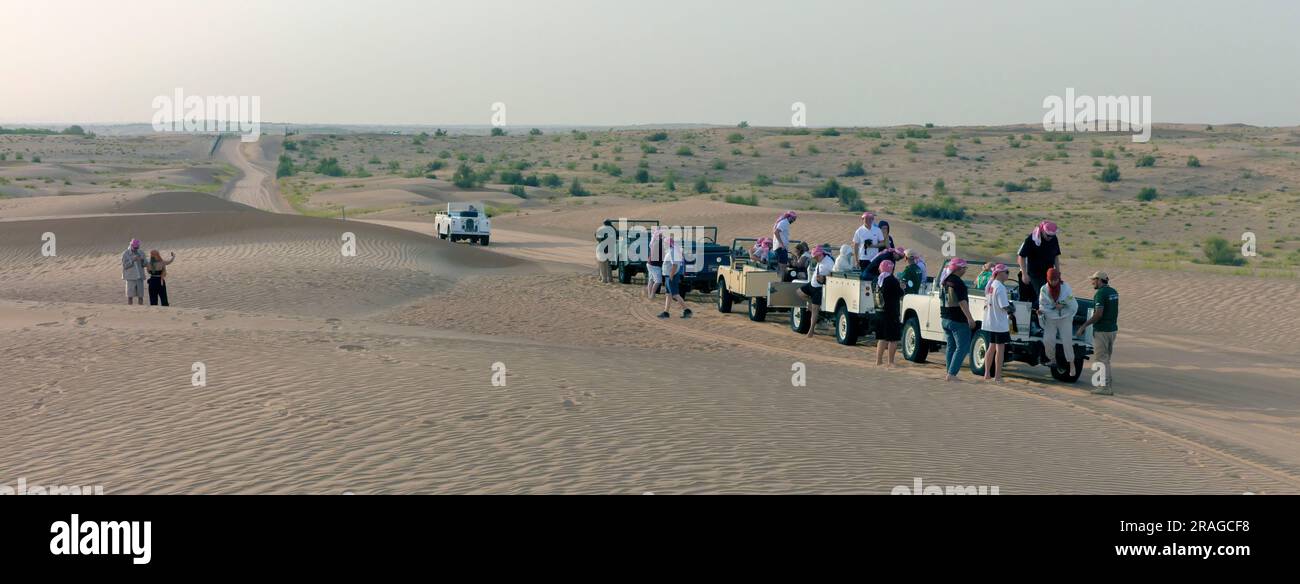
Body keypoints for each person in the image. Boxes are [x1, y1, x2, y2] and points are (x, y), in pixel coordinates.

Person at [1077, 271, 1119, 395]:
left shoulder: (1100, 294)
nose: (1092, 282)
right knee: (1106, 358)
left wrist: (1083, 326)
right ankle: (1107, 383)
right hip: (1112, 330)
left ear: (1100, 280)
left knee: (1101, 359)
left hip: (1102, 330)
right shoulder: (1113, 292)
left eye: (1094, 280)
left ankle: (1104, 387)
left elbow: (1098, 314)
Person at [940, 258, 977, 382]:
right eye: (964, 268)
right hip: (957, 320)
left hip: (945, 318)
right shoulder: (958, 283)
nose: (965, 270)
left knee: (951, 346)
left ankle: (949, 372)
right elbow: (962, 302)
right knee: (962, 347)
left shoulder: (945, 280)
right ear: (959, 269)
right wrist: (970, 318)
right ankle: (952, 374)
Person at [1037, 267, 1078, 376]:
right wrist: (1041, 311)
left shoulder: (1065, 287)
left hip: (1065, 316)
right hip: (1051, 317)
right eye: (1051, 280)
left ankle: (1072, 364)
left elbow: (1071, 301)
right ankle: (1052, 359)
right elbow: (1042, 304)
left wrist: (1063, 305)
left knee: (1067, 341)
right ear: (1048, 279)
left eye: (1055, 279)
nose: (1053, 282)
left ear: (1058, 278)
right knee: (1047, 340)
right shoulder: (1044, 289)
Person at [1017, 220, 1061, 314]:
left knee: (1049, 295)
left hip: (1048, 273)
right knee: (1043, 296)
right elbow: (1021, 257)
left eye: (1052, 235)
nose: (1050, 238)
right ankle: (1032, 315)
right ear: (1042, 231)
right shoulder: (1031, 239)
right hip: (1034, 274)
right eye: (1048, 235)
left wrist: (1058, 273)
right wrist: (1024, 274)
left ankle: (1038, 316)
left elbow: (1056, 256)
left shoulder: (1053, 239)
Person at [982, 263, 1012, 383]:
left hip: (991, 322)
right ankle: (998, 376)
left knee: (991, 347)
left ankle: (987, 373)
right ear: (999, 273)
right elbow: (1004, 305)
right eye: (1006, 272)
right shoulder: (1000, 287)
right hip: (999, 324)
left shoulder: (991, 285)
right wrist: (1012, 309)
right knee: (1000, 349)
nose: (1008, 274)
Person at [795, 245, 834, 338]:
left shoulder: (829, 262)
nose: (815, 259)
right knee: (799, 292)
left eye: (816, 257)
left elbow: (833, 275)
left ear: (820, 255)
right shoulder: (821, 259)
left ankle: (811, 330)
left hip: (819, 288)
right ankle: (811, 305)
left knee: (815, 310)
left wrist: (824, 278)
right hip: (812, 284)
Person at [875, 259, 903, 367]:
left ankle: (878, 361)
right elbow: (900, 293)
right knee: (893, 339)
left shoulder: (877, 280)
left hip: (879, 312)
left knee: (882, 338)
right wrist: (902, 287)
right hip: (890, 313)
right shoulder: (892, 280)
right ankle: (890, 362)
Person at [658, 232, 692, 319]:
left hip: (671, 276)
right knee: (668, 294)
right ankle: (666, 312)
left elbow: (675, 265)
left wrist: (671, 276)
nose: (663, 245)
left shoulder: (672, 251)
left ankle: (687, 310)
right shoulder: (671, 251)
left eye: (665, 243)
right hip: (668, 276)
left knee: (675, 294)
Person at [772, 211, 797, 282]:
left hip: (780, 248)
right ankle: (781, 282)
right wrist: (781, 244)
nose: (793, 221)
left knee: (782, 267)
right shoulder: (784, 223)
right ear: (789, 217)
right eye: (793, 219)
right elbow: (776, 232)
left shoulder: (783, 222)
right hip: (780, 248)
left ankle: (780, 281)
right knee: (782, 267)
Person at [121, 239, 147, 305]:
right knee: (130, 297)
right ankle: (130, 310)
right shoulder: (125, 254)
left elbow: (145, 264)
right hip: (130, 278)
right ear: (131, 245)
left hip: (139, 277)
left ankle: (141, 310)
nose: (136, 249)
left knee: (141, 296)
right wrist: (132, 260)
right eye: (135, 247)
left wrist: (142, 260)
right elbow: (124, 266)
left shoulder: (141, 252)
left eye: (137, 247)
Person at [646, 226, 665, 299]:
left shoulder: (654, 240)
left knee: (651, 280)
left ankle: (649, 295)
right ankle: (652, 295)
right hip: (655, 265)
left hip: (650, 263)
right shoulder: (659, 242)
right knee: (658, 281)